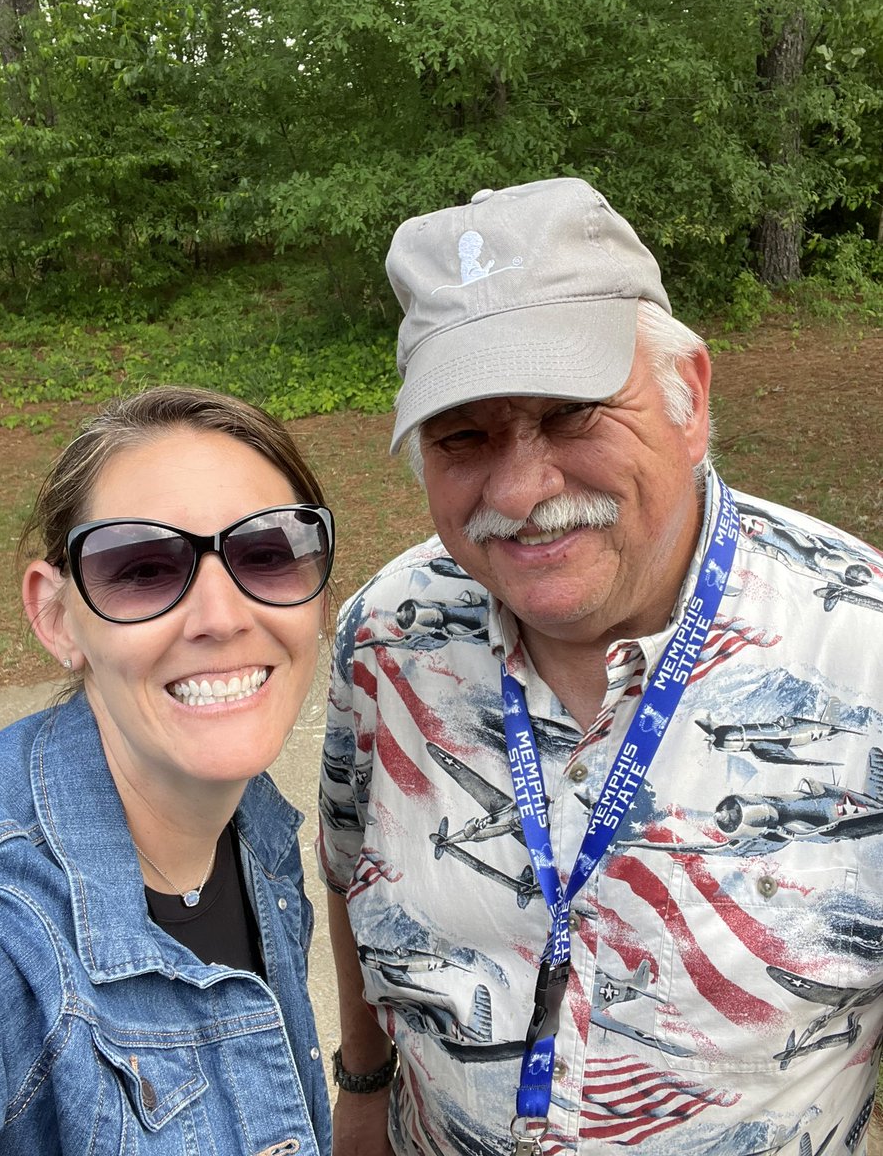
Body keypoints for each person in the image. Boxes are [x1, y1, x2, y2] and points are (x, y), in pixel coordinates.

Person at [317, 179, 883, 1156]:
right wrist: (364, 1086)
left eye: (573, 414)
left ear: (689, 396)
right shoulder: (385, 637)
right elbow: (347, 870)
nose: (519, 491)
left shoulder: (863, 655)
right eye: (464, 436)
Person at [0, 386, 335, 1154]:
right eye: (143, 569)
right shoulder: (0, 926)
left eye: (267, 555)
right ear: (55, 616)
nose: (222, 616)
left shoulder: (254, 823)